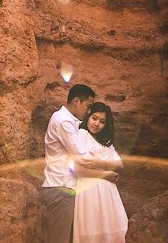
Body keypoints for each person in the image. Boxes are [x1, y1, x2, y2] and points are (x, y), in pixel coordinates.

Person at [41, 84, 119, 243]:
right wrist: (106, 168)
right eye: (88, 106)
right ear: (76, 101)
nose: (88, 111)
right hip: (60, 188)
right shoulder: (64, 121)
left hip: (63, 187)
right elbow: (81, 158)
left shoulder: (70, 122)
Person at [72, 102, 128, 243]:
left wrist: (99, 163)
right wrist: (106, 173)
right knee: (93, 228)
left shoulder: (106, 143)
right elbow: (78, 170)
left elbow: (120, 165)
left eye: (102, 121)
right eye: (94, 118)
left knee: (115, 229)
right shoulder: (81, 135)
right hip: (89, 191)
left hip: (109, 193)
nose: (96, 124)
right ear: (88, 117)